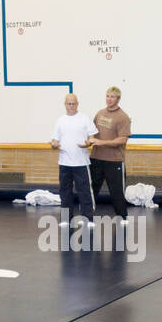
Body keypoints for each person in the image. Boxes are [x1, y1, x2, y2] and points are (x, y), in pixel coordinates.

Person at [49, 93, 98, 225]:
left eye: (74, 103)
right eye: (69, 103)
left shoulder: (84, 119)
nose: (71, 106)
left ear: (77, 104)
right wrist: (54, 144)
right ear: (65, 104)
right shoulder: (60, 120)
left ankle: (88, 219)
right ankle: (66, 218)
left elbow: (93, 137)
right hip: (64, 162)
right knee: (65, 192)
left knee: (85, 192)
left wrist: (88, 143)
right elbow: (54, 139)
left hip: (81, 163)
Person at [88, 86, 131, 220]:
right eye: (107, 96)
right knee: (91, 191)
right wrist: (86, 141)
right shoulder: (100, 113)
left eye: (112, 97)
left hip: (114, 161)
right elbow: (92, 133)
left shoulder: (123, 117)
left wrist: (103, 142)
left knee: (116, 192)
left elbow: (123, 139)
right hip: (96, 158)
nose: (109, 99)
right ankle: (87, 217)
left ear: (118, 99)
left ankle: (122, 218)